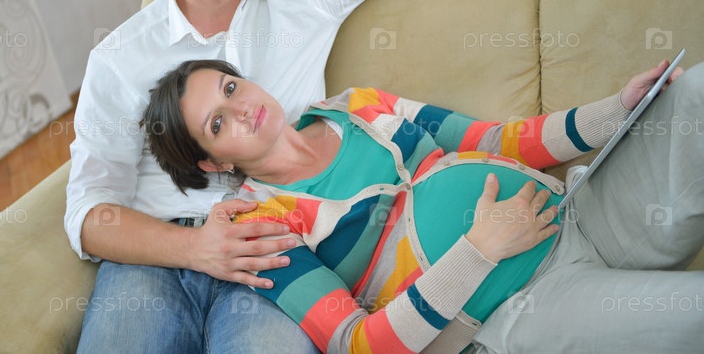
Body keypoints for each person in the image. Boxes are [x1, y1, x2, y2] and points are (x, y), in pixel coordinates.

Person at [65, 0, 704, 353]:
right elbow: (87, 212)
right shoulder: (119, 59)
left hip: (265, 261)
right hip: (161, 251)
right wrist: (194, 248)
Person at [142, 58, 704, 354]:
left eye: (230, 89)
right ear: (212, 162)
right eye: (218, 123)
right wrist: (479, 251)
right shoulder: (260, 225)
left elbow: (492, 140)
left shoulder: (356, 106)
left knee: (695, 93)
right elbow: (355, 344)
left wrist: (618, 110)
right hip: (520, 307)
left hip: (577, 211)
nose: (241, 109)